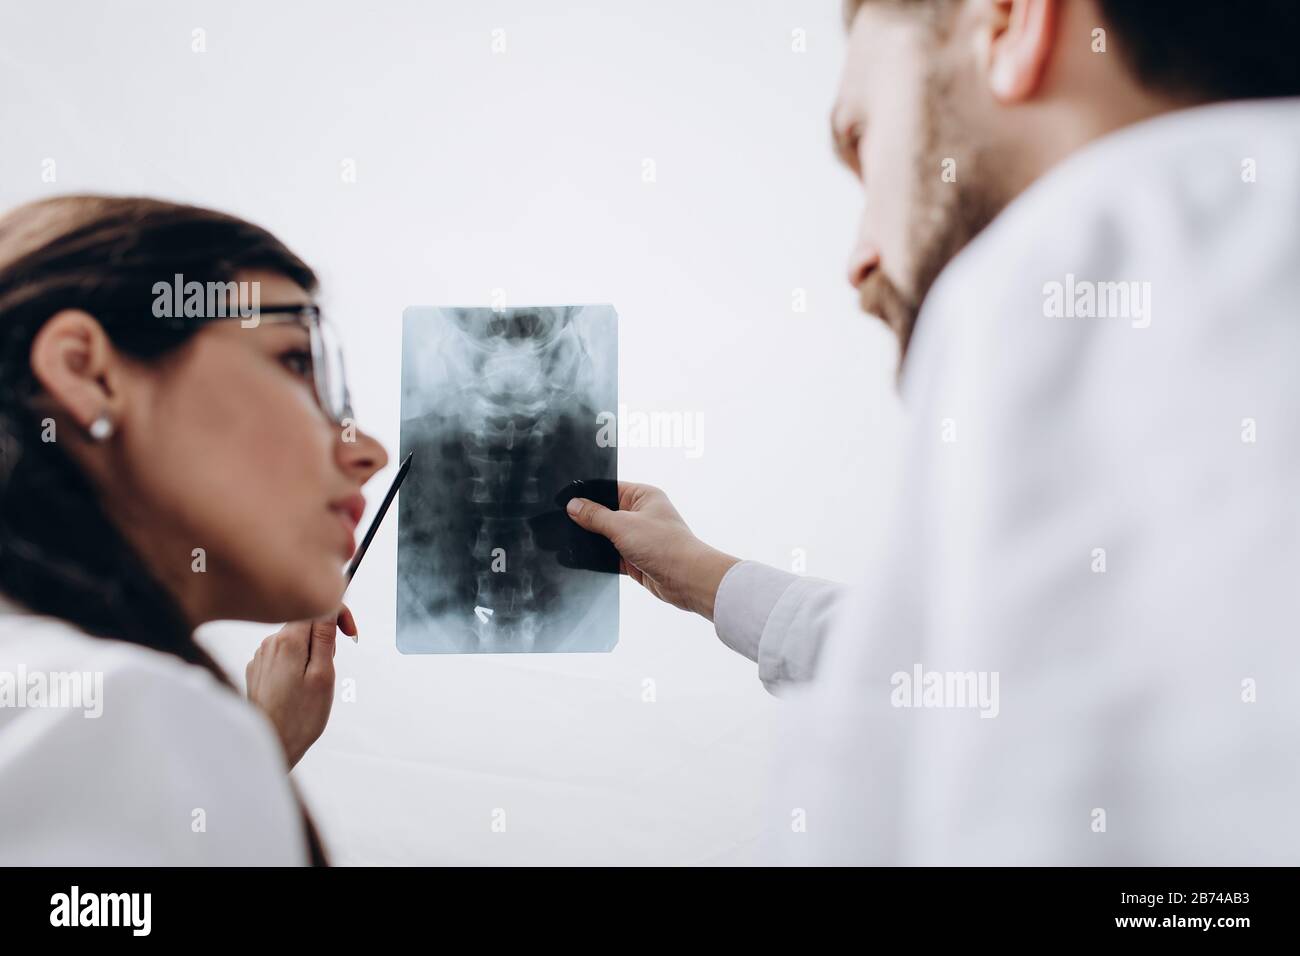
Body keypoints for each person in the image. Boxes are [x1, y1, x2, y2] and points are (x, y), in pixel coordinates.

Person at [565, 0, 1300, 862]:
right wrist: (705, 578)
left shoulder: (1091, 246)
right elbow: (959, 681)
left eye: (861, 139)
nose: (858, 260)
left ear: (1011, 24)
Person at [0, 196, 388, 864]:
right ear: (86, 371)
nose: (368, 450)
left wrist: (253, 747)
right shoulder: (117, 709)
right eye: (297, 361)